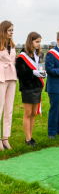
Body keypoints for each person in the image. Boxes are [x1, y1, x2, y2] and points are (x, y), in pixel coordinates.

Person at [16, 32, 46, 146]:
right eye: (37, 42)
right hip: (27, 87)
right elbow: (20, 73)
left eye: (40, 42)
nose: (39, 44)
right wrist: (33, 72)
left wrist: (42, 73)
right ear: (30, 41)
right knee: (28, 113)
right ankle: (28, 139)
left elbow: (40, 68)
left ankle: (30, 136)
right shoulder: (22, 56)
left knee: (34, 113)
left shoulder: (39, 55)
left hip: (37, 86)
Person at [0, 21, 17, 150]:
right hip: (1, 78)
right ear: (3, 30)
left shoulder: (12, 45)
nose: (11, 32)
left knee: (9, 109)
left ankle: (6, 138)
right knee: (0, 109)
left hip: (12, 77)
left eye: (12, 30)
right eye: (9, 30)